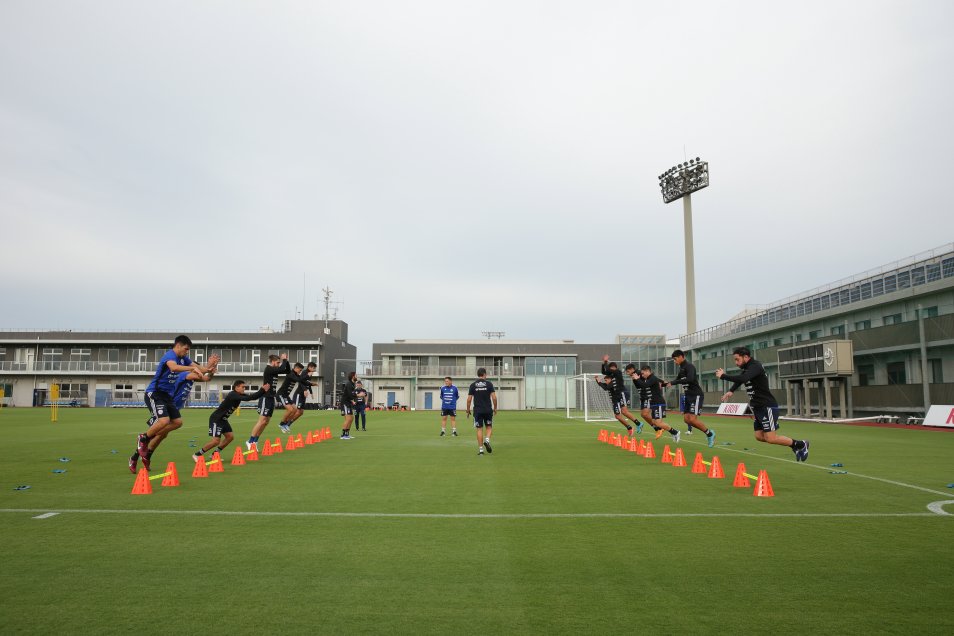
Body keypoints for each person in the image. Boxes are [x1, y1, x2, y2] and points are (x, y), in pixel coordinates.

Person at [717, 346, 810, 461]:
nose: (736, 363)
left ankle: (801, 444)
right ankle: (796, 445)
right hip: (758, 408)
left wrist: (723, 376)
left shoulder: (755, 366)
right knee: (759, 436)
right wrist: (731, 391)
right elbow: (742, 378)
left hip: (767, 406)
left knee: (771, 438)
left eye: (737, 359)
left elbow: (743, 378)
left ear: (745, 357)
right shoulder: (747, 368)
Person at [130, 355, 218, 473]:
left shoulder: (192, 377)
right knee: (155, 434)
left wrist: (212, 370)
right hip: (164, 406)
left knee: (161, 435)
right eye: (198, 369)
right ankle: (135, 457)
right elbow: (200, 375)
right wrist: (209, 366)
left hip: (173, 408)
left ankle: (146, 455)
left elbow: (207, 379)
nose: (199, 371)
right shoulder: (184, 374)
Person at [194, 380, 269, 462]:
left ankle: (214, 454)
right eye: (242, 387)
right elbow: (248, 398)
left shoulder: (239, 394)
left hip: (223, 420)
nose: (244, 388)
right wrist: (262, 390)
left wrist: (263, 391)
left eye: (244, 387)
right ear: (236, 387)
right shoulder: (233, 394)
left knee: (230, 437)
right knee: (215, 441)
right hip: (216, 419)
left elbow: (252, 397)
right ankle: (197, 454)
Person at [664, 350, 715, 447]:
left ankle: (710, 434)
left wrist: (674, 382)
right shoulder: (681, 369)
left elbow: (690, 379)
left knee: (692, 419)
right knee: (687, 420)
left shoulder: (689, 366)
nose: (674, 361)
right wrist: (664, 384)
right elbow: (676, 380)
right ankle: (709, 432)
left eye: (675, 359)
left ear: (681, 357)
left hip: (696, 395)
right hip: (688, 396)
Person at [625, 363, 680, 442]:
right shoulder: (648, 378)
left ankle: (674, 432)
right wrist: (663, 383)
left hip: (657, 402)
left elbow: (646, 384)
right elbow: (651, 382)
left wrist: (663, 382)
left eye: (628, 371)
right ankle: (662, 430)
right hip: (653, 402)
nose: (642, 375)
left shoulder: (643, 375)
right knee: (654, 421)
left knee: (656, 421)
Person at [246, 354, 289, 450]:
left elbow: (287, 370)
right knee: (261, 421)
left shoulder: (275, 370)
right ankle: (250, 441)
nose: (279, 364)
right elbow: (282, 368)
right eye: (277, 362)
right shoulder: (269, 369)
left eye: (279, 363)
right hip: (265, 397)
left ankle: (255, 441)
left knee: (266, 422)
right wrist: (284, 360)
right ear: (272, 362)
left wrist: (286, 361)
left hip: (271, 398)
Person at [277, 362, 316, 433]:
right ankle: (282, 424)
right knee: (290, 409)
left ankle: (286, 424)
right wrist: (307, 375)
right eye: (300, 370)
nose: (300, 372)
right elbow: (300, 380)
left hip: (286, 395)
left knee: (295, 409)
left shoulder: (296, 375)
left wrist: (311, 384)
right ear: (296, 368)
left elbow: (302, 380)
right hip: (281, 394)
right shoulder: (291, 374)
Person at [466, 368, 497, 456]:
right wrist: (495, 408)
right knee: (489, 427)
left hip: (477, 411)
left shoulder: (473, 385)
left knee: (479, 429)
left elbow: (469, 399)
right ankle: (487, 440)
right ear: (484, 374)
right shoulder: (489, 384)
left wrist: (468, 410)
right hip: (487, 410)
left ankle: (481, 450)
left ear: (478, 374)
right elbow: (494, 398)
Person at [601, 355, 634, 425]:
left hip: (622, 393)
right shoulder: (612, 375)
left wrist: (606, 361)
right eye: (611, 368)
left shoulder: (618, 372)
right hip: (616, 396)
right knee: (617, 416)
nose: (612, 369)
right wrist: (604, 363)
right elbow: (604, 372)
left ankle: (638, 423)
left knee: (624, 411)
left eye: (613, 368)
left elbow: (607, 371)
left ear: (615, 368)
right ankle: (630, 427)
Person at [340, 371, 358, 439]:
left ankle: (347, 434)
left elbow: (353, 394)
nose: (357, 376)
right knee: (348, 419)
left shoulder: (353, 384)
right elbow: (350, 394)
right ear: (353, 376)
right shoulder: (349, 384)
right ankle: (343, 435)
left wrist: (354, 400)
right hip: (345, 403)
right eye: (356, 375)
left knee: (351, 418)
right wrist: (355, 398)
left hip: (348, 403)